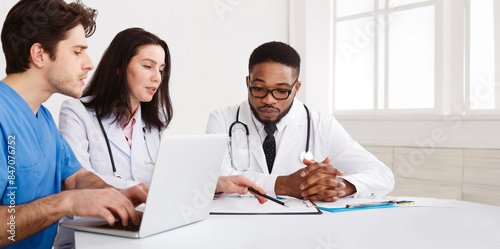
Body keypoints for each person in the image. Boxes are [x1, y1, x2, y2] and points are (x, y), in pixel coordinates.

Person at [55, 27, 268, 248]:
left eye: (162, 69)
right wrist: (148, 189)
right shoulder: (77, 111)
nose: (156, 77)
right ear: (119, 67)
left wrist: (219, 183)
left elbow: (174, 177)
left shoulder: (156, 122)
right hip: (88, 236)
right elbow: (76, 180)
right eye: (147, 66)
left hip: (141, 233)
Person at [0, 1, 148, 248]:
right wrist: (66, 202)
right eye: (77, 52)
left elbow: (76, 177)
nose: (89, 63)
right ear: (39, 54)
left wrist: (112, 194)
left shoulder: (43, 118)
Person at [206, 41, 395, 202]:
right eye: (259, 88)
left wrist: (340, 186)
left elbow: (382, 175)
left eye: (281, 91)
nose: (269, 100)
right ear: (248, 83)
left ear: (296, 88)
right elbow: (213, 177)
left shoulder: (322, 125)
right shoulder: (222, 120)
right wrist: (283, 185)